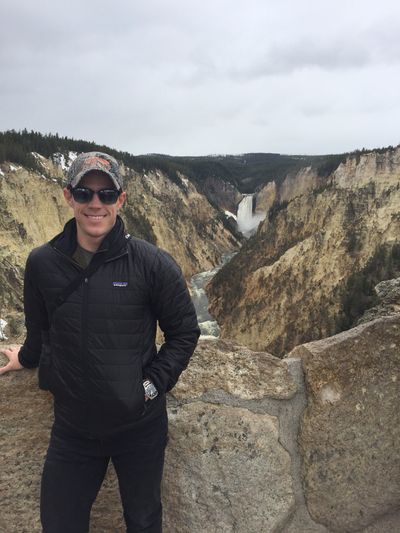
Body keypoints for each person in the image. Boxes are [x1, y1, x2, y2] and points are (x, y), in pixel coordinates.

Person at [0, 151, 200, 532]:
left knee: (143, 522)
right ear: (68, 196)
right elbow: (40, 330)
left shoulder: (152, 264)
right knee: (59, 523)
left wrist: (150, 386)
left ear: (120, 200)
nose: (96, 203)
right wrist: (25, 357)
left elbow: (185, 333)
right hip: (73, 429)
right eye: (85, 193)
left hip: (139, 428)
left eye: (106, 194)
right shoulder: (42, 264)